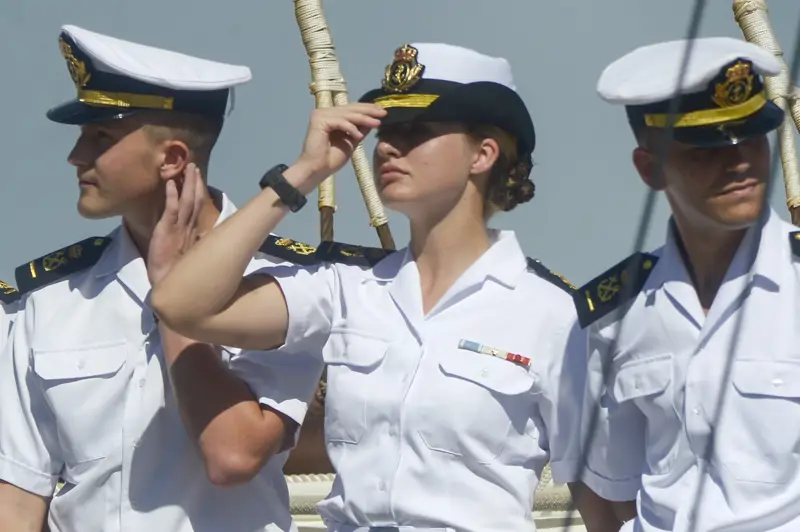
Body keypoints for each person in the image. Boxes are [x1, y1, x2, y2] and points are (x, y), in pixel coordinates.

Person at [151, 42, 621, 531]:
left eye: (416, 132)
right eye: (386, 132)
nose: (389, 147)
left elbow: (603, 502)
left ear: (483, 154)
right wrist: (304, 173)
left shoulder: (552, 314)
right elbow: (182, 306)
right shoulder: (345, 288)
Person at [0, 25, 324, 532]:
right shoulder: (47, 301)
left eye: (99, 137)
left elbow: (234, 456)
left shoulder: (287, 286)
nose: (75, 156)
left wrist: (173, 290)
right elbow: (16, 501)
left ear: (172, 159)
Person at [574, 37, 800, 531]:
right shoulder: (615, 314)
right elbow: (611, 492)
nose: (739, 161)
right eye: (708, 146)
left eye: (751, 137)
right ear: (649, 168)